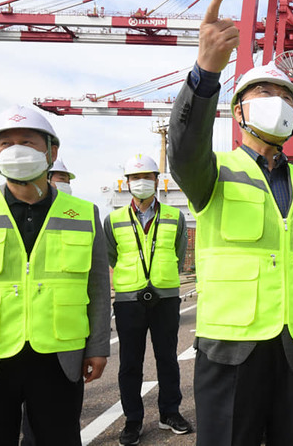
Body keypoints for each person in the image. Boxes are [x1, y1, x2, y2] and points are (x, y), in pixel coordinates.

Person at [167, 0, 293, 446]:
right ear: (239, 111)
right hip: (232, 352)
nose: (280, 102)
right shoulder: (214, 173)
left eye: (288, 97)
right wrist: (206, 74)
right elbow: (183, 150)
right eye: (265, 92)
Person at [0, 105, 110, 445]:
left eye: (26, 141)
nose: (15, 149)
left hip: (58, 355)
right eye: (5, 143)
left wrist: (97, 346)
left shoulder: (84, 214)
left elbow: (98, 285)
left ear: (52, 152)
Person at [103, 153, 192, 445]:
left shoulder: (174, 216)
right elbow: (111, 256)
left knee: (167, 359)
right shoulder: (113, 220)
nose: (141, 182)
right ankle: (133, 420)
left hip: (165, 297)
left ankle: (170, 413)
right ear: (126, 183)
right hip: (129, 299)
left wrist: (162, 276)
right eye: (135, 178)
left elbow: (179, 255)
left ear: (157, 180)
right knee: (130, 362)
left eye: (146, 177)